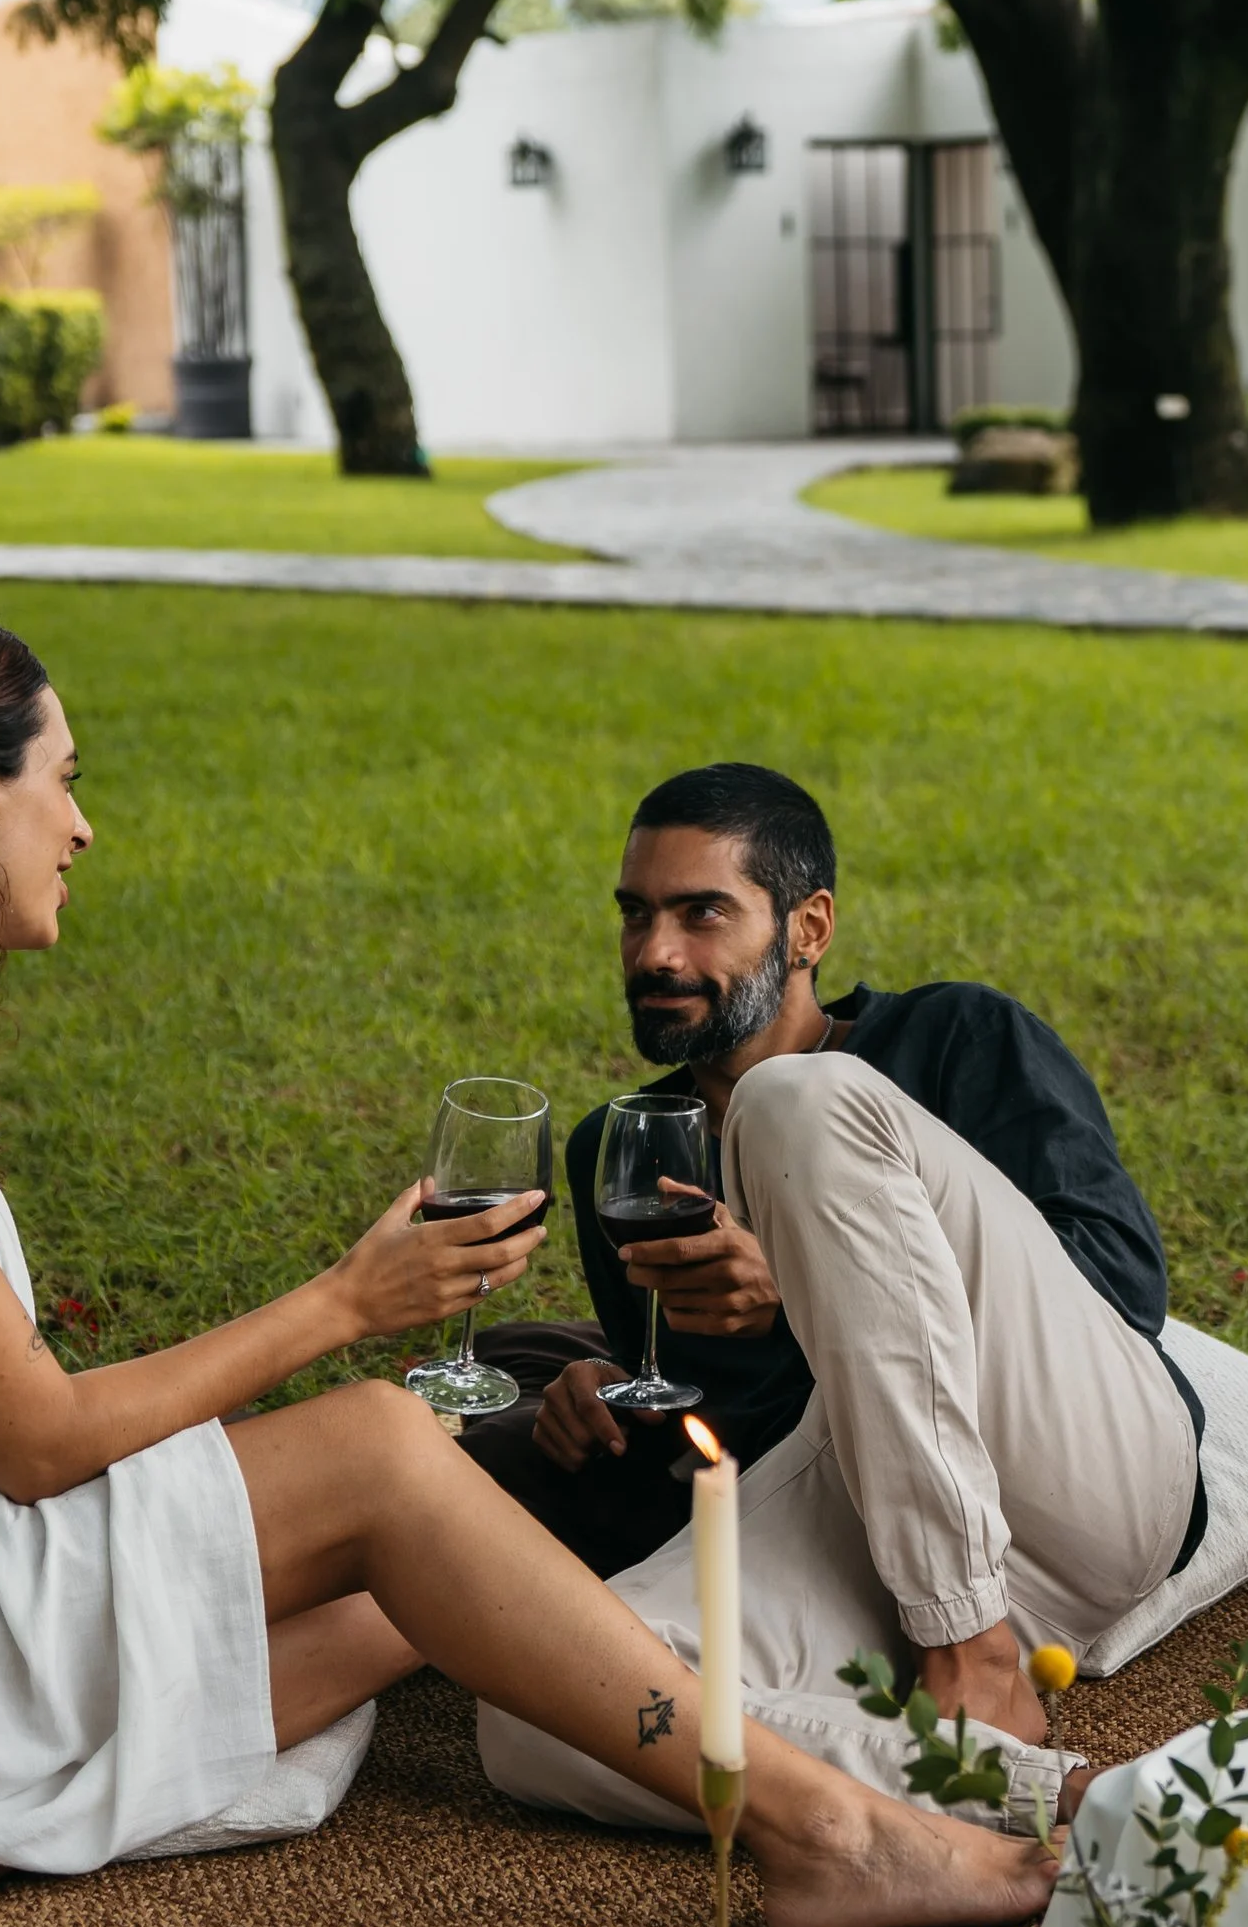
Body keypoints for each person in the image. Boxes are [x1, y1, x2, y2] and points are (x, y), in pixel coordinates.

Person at [0, 614, 1052, 1927]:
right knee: (389, 1453)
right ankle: (823, 1825)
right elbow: (28, 1441)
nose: (80, 825)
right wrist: (346, 1299)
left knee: (446, 1583)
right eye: (65, 775)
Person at [465, 765, 1201, 1798]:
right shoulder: (623, 1152)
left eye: (702, 913)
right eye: (636, 915)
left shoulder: (955, 1039)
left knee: (793, 1102)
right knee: (552, 1712)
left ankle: (974, 1653)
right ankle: (1026, 1792)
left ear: (808, 929)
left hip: (1069, 1475)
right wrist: (609, 1399)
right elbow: (729, 1436)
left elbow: (1120, 1287)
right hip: (860, 1529)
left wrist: (802, 1281)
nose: (656, 953)